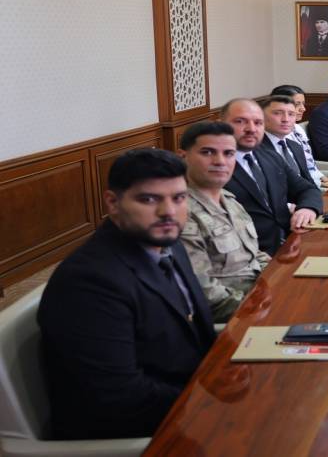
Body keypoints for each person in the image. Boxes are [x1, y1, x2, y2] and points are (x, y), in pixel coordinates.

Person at [37, 149, 215, 439]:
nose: (168, 211)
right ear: (113, 203)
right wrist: (211, 401)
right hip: (138, 432)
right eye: (148, 199)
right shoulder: (89, 282)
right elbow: (119, 397)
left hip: (186, 399)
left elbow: (195, 331)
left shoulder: (168, 243)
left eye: (178, 198)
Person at [178, 121, 272, 323]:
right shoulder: (180, 212)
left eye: (229, 154)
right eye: (207, 152)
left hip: (263, 299)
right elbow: (203, 291)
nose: (220, 161)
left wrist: (281, 281)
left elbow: (254, 255)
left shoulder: (230, 199)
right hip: (236, 319)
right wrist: (264, 305)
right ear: (183, 157)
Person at [221, 98, 322, 256]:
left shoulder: (270, 157)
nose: (251, 129)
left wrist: (307, 209)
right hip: (251, 256)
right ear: (222, 124)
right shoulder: (214, 167)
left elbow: (307, 189)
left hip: (291, 244)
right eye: (240, 121)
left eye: (258, 123)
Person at [270, 84, 328, 189]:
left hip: (311, 180)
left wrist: (323, 178)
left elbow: (308, 162)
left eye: (303, 104)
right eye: (297, 104)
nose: (303, 109)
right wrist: (319, 184)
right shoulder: (278, 135)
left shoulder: (298, 128)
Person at [258, 95, 314, 185]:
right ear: (261, 117)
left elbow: (309, 183)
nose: (286, 119)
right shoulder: (256, 149)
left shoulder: (295, 146)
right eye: (277, 113)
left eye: (291, 114)